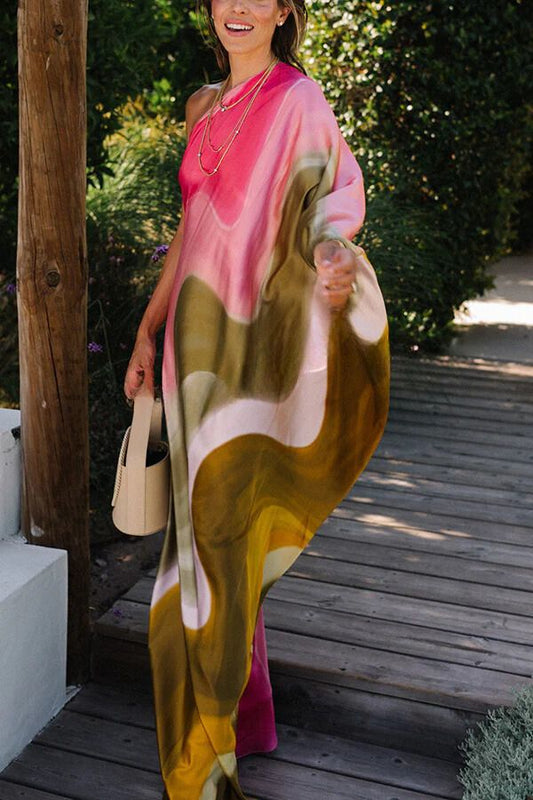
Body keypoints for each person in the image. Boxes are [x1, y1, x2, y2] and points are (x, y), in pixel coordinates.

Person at [124, 1, 389, 797]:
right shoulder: (201, 105)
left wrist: (333, 254)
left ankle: (204, 752)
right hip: (191, 352)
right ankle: (250, 717)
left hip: (251, 356)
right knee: (215, 536)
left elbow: (329, 198)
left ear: (282, 11)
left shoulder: (298, 100)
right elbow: (190, 229)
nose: (237, 8)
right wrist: (146, 330)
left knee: (214, 535)